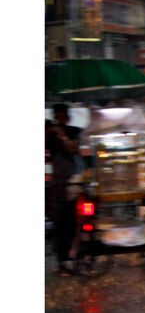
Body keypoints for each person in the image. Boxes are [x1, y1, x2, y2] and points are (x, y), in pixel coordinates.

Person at [46, 103, 81, 276]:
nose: (59, 119)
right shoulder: (50, 135)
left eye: (62, 116)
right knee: (59, 223)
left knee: (73, 221)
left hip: (73, 181)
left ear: (67, 117)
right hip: (58, 183)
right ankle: (62, 262)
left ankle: (72, 258)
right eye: (56, 116)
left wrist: (62, 135)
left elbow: (73, 148)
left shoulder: (74, 131)